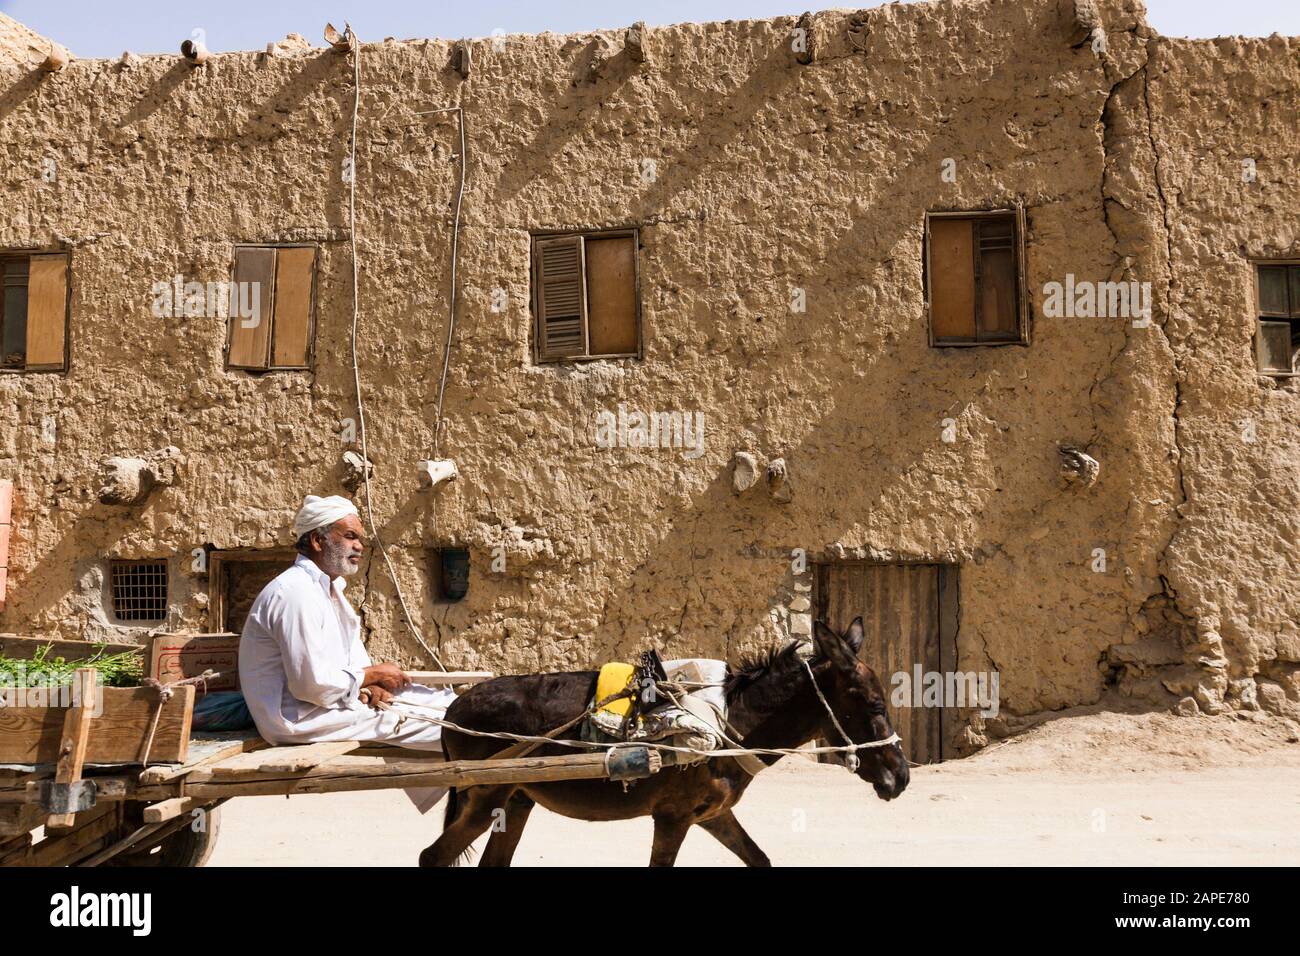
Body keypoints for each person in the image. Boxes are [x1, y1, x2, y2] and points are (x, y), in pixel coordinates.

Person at [238, 494, 456, 813]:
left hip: (327, 705)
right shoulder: (295, 594)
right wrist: (373, 675)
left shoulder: (328, 590)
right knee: (446, 724)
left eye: (360, 540)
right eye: (350, 536)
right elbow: (310, 686)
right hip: (297, 718)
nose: (359, 547)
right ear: (316, 540)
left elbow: (349, 663)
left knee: (442, 702)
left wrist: (368, 685)